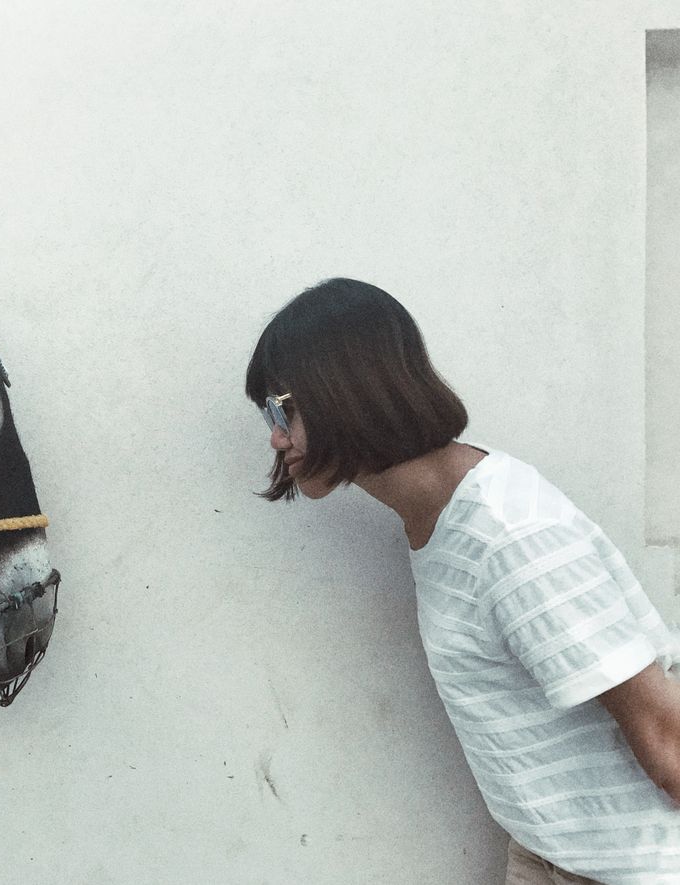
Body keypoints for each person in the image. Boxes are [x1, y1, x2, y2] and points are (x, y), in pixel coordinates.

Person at [245, 278, 680, 884]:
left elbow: (667, 734)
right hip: (551, 853)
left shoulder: (512, 535)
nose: (274, 435)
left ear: (344, 389)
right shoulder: (442, 514)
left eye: (282, 407)